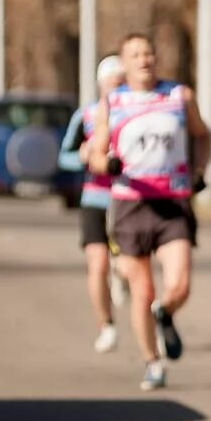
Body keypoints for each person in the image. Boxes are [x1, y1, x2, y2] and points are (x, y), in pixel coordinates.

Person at [89, 33, 211, 390]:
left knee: (180, 285)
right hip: (129, 205)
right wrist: (107, 163)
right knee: (141, 290)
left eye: (148, 53)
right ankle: (152, 362)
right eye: (135, 55)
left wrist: (199, 171)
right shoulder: (113, 102)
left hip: (173, 201)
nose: (144, 59)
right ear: (124, 64)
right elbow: (96, 153)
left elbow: (203, 135)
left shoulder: (179, 95)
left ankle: (166, 311)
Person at [59, 55, 127, 353]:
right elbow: (64, 156)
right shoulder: (84, 116)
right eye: (111, 83)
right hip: (95, 199)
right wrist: (84, 157)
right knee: (97, 265)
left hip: (128, 201)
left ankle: (122, 278)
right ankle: (106, 325)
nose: (115, 88)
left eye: (121, 83)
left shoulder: (135, 113)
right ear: (100, 85)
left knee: (126, 266)